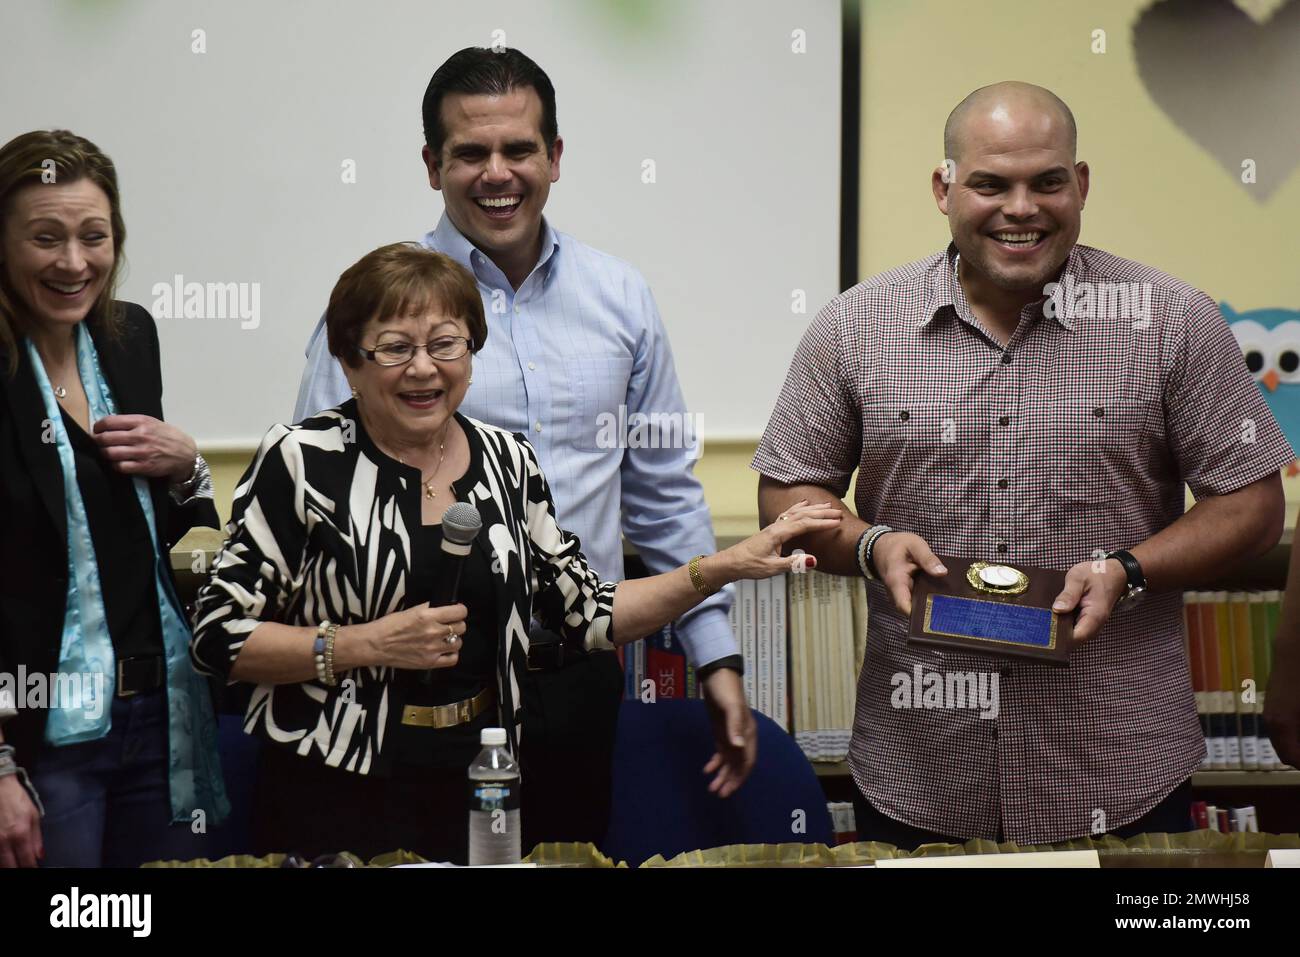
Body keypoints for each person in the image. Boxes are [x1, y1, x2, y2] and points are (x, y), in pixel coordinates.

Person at [753, 82, 1293, 848]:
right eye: (989, 183)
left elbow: (1253, 504)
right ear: (944, 189)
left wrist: (1127, 570)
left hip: (1120, 778)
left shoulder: (1173, 321)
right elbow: (786, 492)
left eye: (1046, 182)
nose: (1021, 207)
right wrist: (869, 544)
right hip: (920, 776)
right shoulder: (853, 326)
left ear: (1080, 184)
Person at [192, 242, 835, 863]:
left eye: (446, 344)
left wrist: (720, 566)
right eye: (394, 348)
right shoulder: (302, 460)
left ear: (471, 354)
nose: (424, 368)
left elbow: (591, 613)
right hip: (333, 781)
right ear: (351, 362)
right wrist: (368, 644)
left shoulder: (506, 461)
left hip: (482, 776)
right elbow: (218, 637)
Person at [291, 47, 752, 847]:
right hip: (422, 684)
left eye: (519, 149)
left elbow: (662, 490)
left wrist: (716, 654)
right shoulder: (379, 302)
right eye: (470, 152)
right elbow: (315, 488)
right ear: (433, 165)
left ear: (556, 157)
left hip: (575, 676)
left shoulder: (620, 296)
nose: (497, 172)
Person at [0, 129, 228, 868]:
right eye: (46, 237)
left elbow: (174, 522)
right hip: (41, 733)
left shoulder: (130, 339)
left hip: (160, 717)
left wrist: (189, 463)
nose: (74, 262)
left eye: (93, 236)